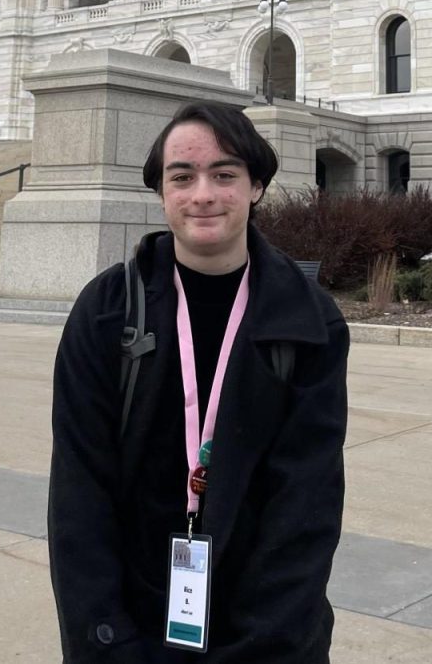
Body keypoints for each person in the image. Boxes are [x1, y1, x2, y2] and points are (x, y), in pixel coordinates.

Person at [48, 100, 349, 662]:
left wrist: (262, 644)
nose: (203, 194)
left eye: (225, 174)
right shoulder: (107, 312)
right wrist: (108, 640)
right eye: (182, 176)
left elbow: (306, 504)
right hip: (132, 623)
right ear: (161, 191)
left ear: (257, 186)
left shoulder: (309, 320)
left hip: (268, 631)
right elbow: (79, 495)